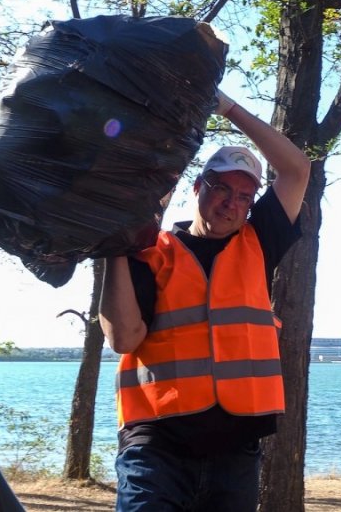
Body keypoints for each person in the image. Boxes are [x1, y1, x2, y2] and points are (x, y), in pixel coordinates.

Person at [99, 91, 311, 512]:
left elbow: (295, 168)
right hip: (156, 445)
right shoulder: (150, 250)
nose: (232, 203)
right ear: (197, 187)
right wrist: (114, 247)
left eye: (244, 196)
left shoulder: (259, 240)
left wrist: (228, 109)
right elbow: (123, 339)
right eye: (221, 188)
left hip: (235, 449)